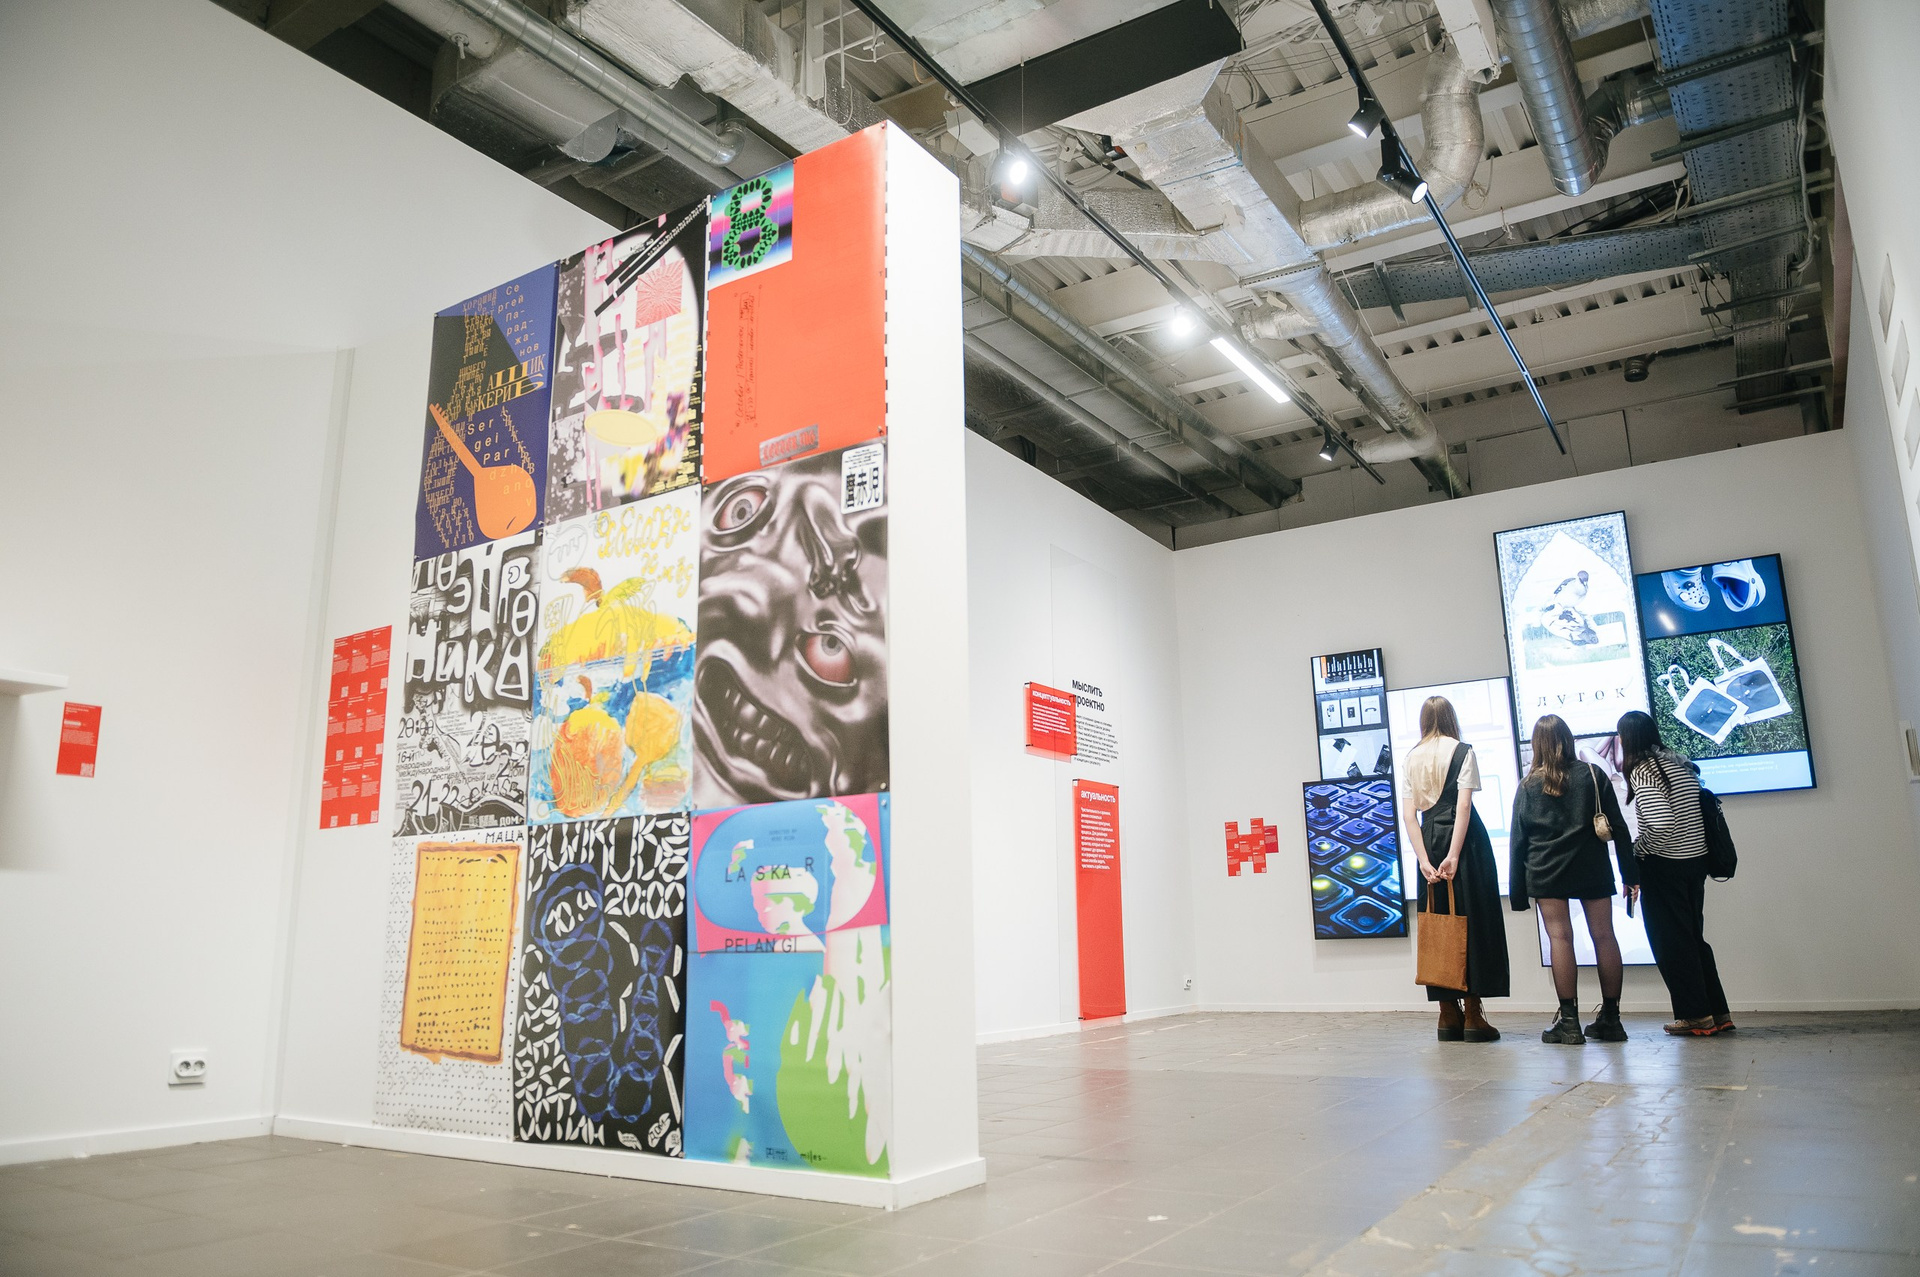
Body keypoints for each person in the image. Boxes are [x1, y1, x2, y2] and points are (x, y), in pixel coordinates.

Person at [1510, 714, 1638, 1045]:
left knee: (1560, 939)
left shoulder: (1528, 785)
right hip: (1591, 867)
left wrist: (1517, 892)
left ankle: (1569, 1024)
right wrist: (1630, 874)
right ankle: (1612, 1020)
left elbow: (1518, 841)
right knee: (1605, 937)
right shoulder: (1592, 775)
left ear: (1537, 745)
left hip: (1546, 870)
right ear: (1568, 740)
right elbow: (1619, 827)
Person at [1617, 711, 1733, 1036]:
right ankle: (1718, 1012)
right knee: (1694, 939)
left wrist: (1639, 849)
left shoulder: (1644, 770)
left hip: (1665, 865)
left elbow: (1662, 823)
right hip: (1696, 863)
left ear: (1628, 738)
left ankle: (1695, 1016)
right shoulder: (1680, 764)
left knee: (1672, 943)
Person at [1401, 696, 1510, 1042]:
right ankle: (1474, 1015)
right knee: (1472, 919)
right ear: (1451, 718)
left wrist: (1424, 860)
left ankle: (1447, 1014)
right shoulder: (1463, 751)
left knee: (1437, 922)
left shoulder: (1411, 757)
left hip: (1429, 840)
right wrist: (1454, 854)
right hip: (1466, 844)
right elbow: (1463, 807)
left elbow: (1409, 816)